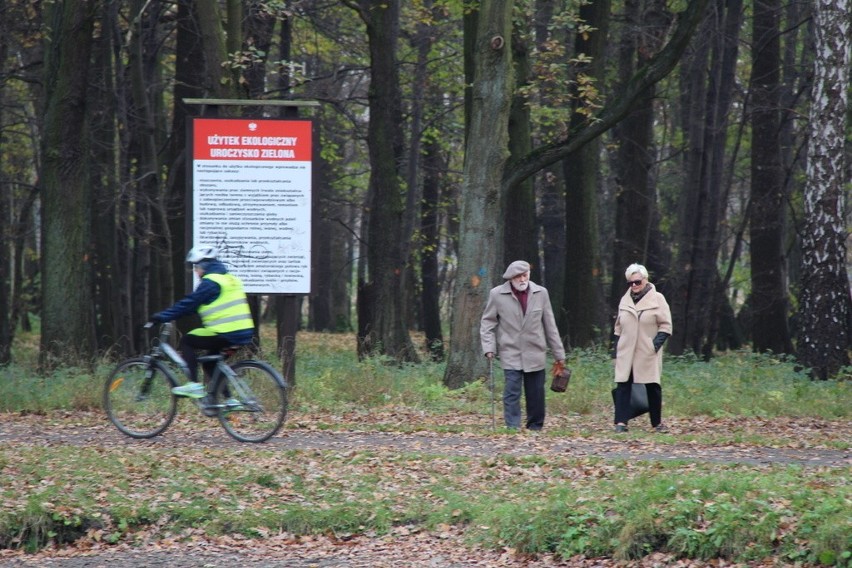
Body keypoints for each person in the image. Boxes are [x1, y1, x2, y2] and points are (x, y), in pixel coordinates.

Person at [150, 245, 255, 399]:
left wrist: (163, 316)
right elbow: (200, 305)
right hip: (243, 333)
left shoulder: (210, 282)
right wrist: (181, 312)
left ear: (204, 266)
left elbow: (190, 303)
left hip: (226, 333)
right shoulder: (230, 279)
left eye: (196, 266)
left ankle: (194, 385)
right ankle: (230, 400)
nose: (195, 271)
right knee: (210, 363)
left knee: (187, 341)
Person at [480, 260, 565, 431]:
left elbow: (550, 325)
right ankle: (513, 426)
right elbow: (487, 323)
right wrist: (489, 348)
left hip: (535, 351)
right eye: (518, 276)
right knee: (512, 392)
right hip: (510, 351)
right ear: (510, 278)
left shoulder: (541, 293)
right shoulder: (497, 294)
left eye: (525, 275)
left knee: (536, 394)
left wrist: (559, 354)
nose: (522, 279)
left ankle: (535, 427)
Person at [612, 263, 672, 433]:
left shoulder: (658, 298)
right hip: (626, 350)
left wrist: (654, 346)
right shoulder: (625, 299)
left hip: (647, 351)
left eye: (637, 282)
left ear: (645, 279)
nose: (634, 286)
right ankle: (621, 423)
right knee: (623, 385)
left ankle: (656, 423)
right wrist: (615, 350)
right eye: (630, 283)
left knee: (652, 386)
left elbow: (666, 326)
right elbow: (618, 328)